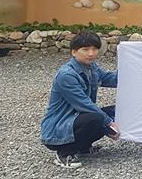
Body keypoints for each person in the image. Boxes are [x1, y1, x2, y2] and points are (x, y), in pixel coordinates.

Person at [41, 31, 118, 169]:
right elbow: (84, 104)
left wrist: (132, 69)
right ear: (74, 52)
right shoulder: (66, 75)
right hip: (58, 128)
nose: (91, 53)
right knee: (97, 118)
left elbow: (111, 79)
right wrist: (109, 122)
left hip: (77, 119)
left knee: (115, 112)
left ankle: (82, 147)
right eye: (85, 49)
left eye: (94, 49)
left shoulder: (91, 67)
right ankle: (64, 153)